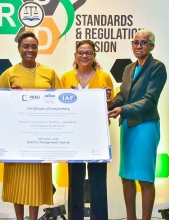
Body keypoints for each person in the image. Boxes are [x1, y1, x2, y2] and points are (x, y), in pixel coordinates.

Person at [0, 30, 62, 220]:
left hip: (42, 137)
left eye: (33, 46)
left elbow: (60, 100)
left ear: (38, 49)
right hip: (17, 139)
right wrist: (9, 93)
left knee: (36, 183)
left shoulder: (49, 73)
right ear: (19, 49)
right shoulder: (10, 73)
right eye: (26, 46)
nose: (30, 50)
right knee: (18, 183)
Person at [108, 29, 167, 220]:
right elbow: (123, 95)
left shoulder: (157, 67)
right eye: (135, 42)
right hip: (128, 126)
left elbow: (149, 100)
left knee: (145, 178)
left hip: (146, 125)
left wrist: (123, 110)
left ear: (152, 46)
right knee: (126, 176)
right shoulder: (128, 69)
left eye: (143, 43)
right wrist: (112, 103)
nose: (138, 46)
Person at [60, 40, 114, 220]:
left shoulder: (104, 77)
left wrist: (108, 101)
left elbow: (110, 105)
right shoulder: (65, 77)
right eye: (81, 52)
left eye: (88, 52)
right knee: (75, 182)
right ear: (75, 55)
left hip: (97, 136)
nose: (84, 56)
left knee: (98, 182)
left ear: (94, 56)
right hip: (73, 135)